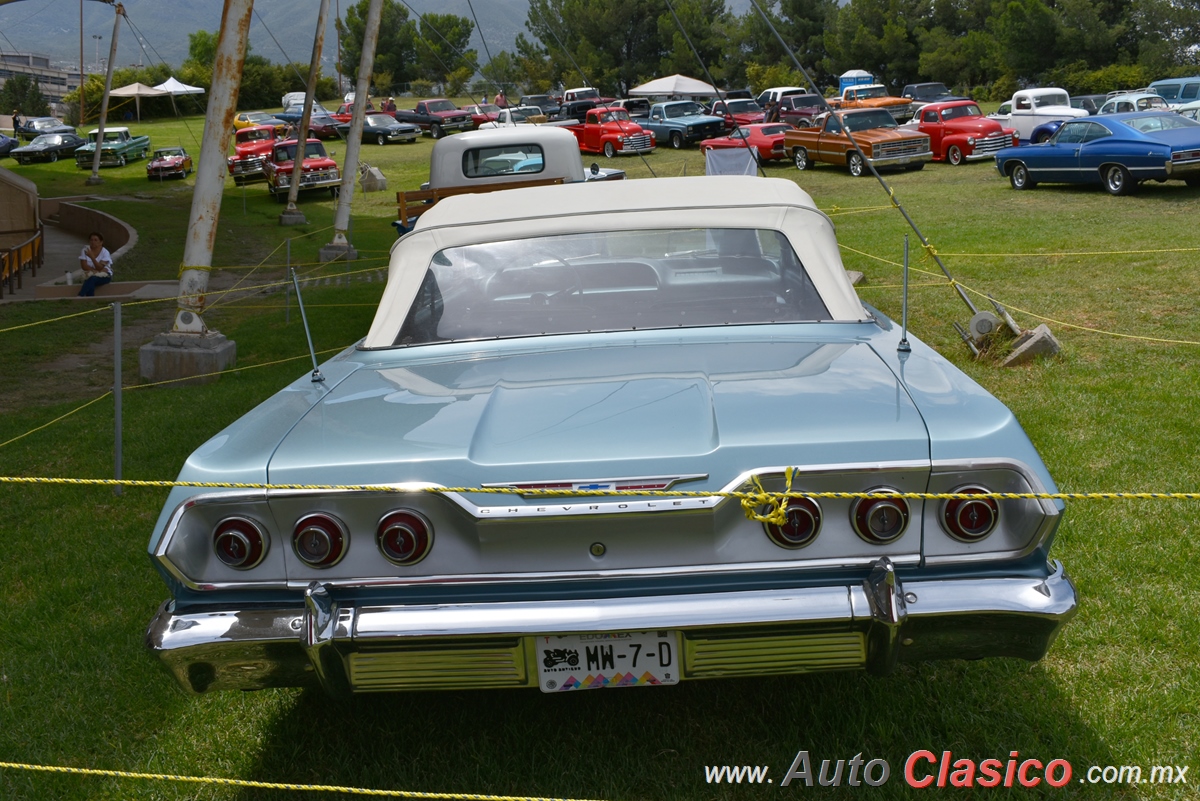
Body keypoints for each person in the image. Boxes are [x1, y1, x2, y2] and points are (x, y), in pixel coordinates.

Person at [78, 232, 113, 297]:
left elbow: (99, 267)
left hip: (105, 276)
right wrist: (95, 270)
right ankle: (90, 298)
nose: (93, 242)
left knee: (92, 279)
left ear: (101, 242)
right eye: (91, 240)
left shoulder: (105, 252)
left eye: (95, 240)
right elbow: (84, 266)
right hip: (91, 273)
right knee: (90, 278)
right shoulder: (85, 250)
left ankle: (80, 295)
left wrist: (92, 257)